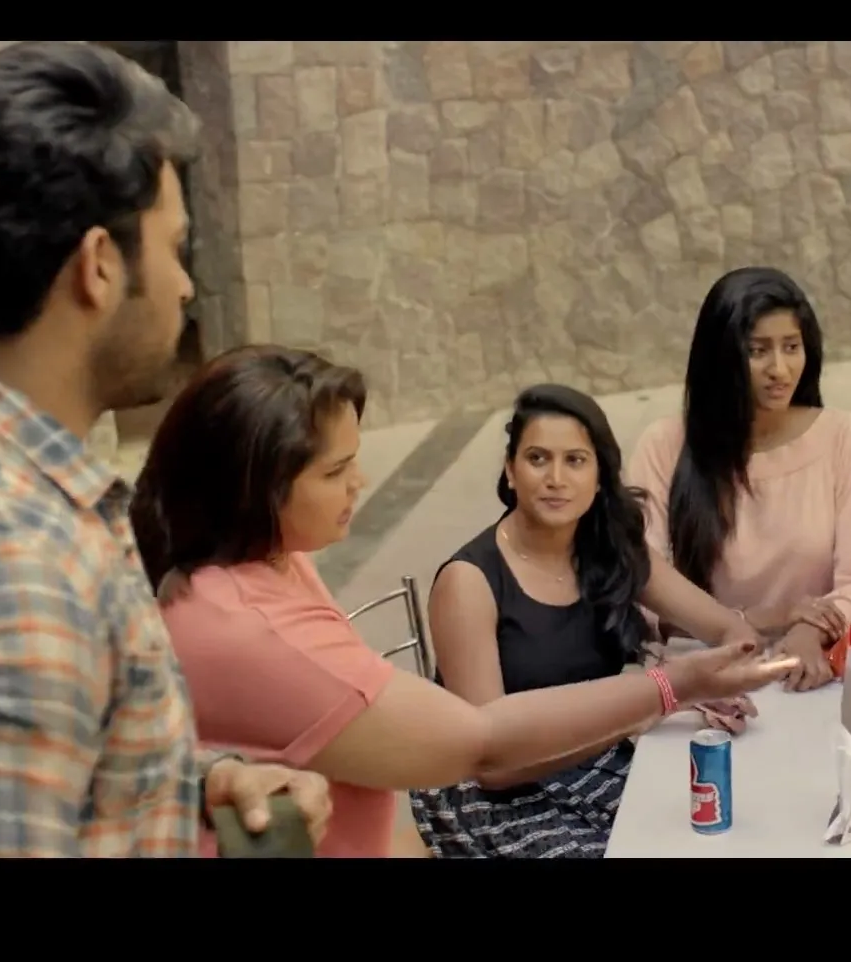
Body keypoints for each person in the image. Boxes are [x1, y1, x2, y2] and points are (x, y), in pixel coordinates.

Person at [0, 41, 332, 857]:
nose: (185, 285)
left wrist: (185, 781)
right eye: (175, 247)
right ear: (99, 266)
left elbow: (26, 758)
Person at [133, 353, 794, 859]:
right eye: (335, 471)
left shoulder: (276, 554)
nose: (361, 481)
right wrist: (670, 687)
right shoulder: (252, 627)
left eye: (576, 461)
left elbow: (716, 622)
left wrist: (788, 627)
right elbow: (483, 747)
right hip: (505, 791)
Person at [414, 383, 777, 858]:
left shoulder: (610, 548)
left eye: (575, 460)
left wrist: (720, 682)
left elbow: (728, 629)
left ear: (601, 476)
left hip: (593, 758)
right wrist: (655, 699)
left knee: (732, 819)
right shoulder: (469, 582)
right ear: (510, 470)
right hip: (494, 795)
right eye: (538, 459)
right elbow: (492, 762)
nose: (556, 478)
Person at [627, 266, 851, 692]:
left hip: (811, 673)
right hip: (702, 677)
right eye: (757, 351)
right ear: (721, 357)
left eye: (791, 347)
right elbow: (642, 595)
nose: (780, 369)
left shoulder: (845, 438)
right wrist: (759, 620)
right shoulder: (663, 446)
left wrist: (811, 629)